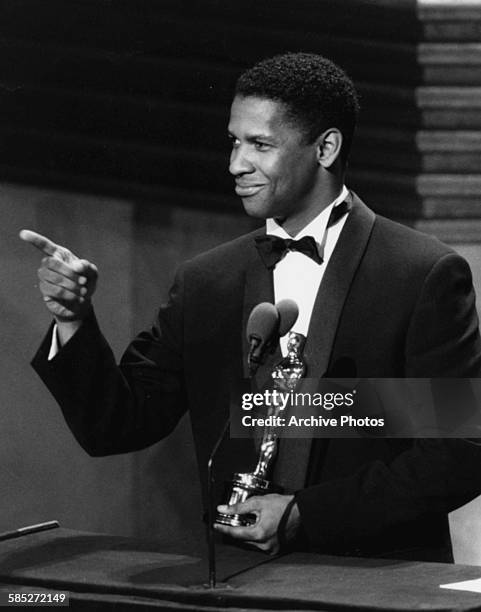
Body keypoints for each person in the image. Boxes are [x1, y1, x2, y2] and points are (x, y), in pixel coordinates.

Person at [21, 53, 481, 562]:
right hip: (237, 584)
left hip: (376, 584)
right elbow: (118, 424)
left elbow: (459, 455)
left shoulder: (420, 274)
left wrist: (305, 513)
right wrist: (74, 320)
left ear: (325, 148)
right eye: (235, 142)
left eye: (260, 145)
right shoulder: (206, 282)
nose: (236, 164)